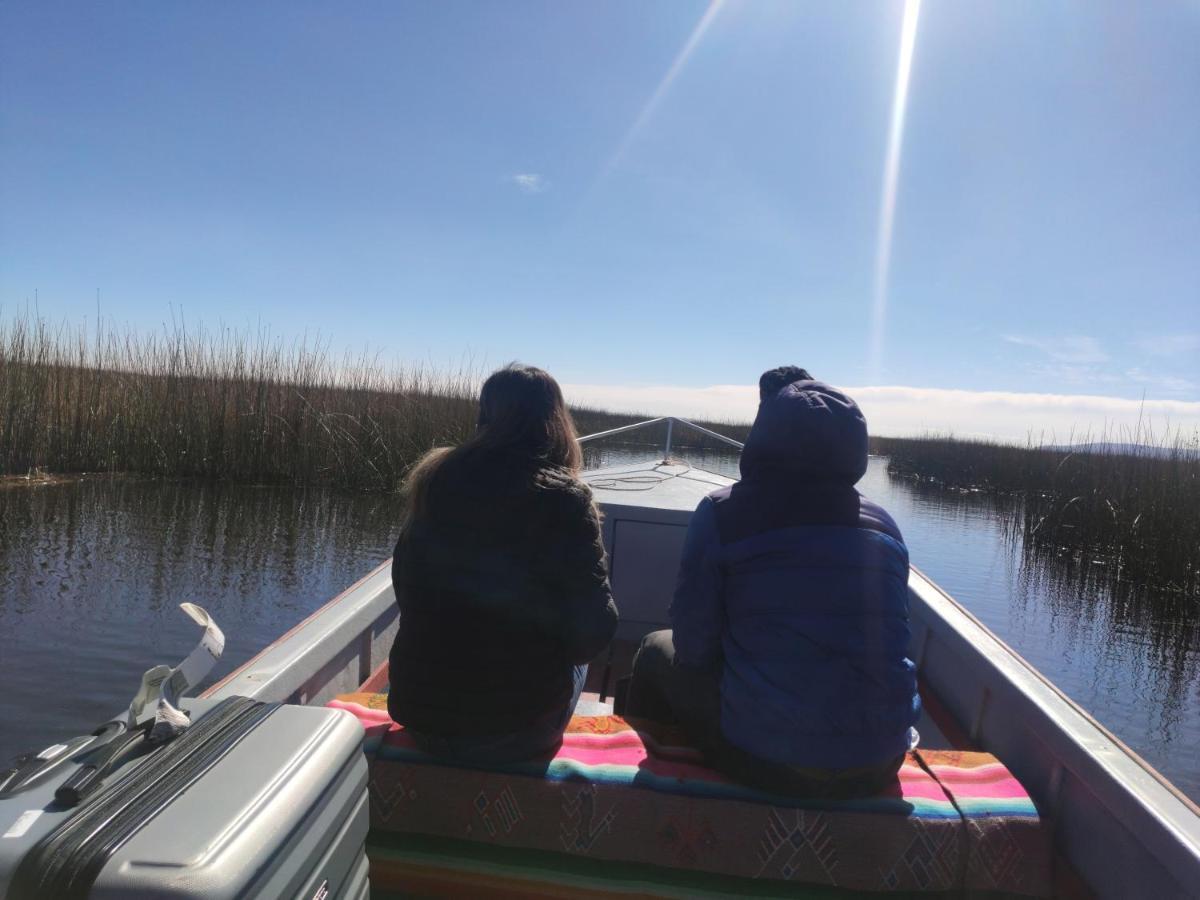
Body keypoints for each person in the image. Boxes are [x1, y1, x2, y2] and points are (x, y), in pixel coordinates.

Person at [625, 370, 919, 798]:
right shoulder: (886, 526)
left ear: (766, 434)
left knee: (654, 650)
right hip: (882, 758)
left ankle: (647, 799)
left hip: (768, 760)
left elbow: (693, 647)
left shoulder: (724, 513)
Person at [388, 363, 618, 763]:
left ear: (485, 416)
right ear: (556, 421)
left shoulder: (435, 479)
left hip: (420, 716)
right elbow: (591, 636)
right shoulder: (566, 499)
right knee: (585, 669)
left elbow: (406, 590)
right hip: (515, 732)